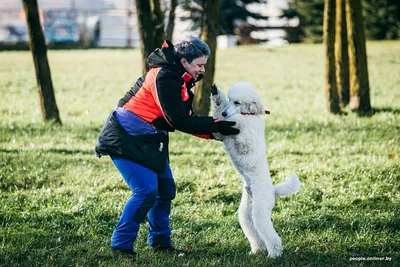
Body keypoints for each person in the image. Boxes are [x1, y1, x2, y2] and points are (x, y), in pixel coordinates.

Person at [95, 36, 239, 255]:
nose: (202, 70)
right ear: (183, 61)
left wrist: (215, 132)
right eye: (199, 65)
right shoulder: (164, 77)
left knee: (165, 189)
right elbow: (177, 120)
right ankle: (121, 245)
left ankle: (160, 243)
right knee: (146, 192)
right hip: (124, 138)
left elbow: (186, 117)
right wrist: (216, 124)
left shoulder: (179, 79)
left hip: (151, 139)